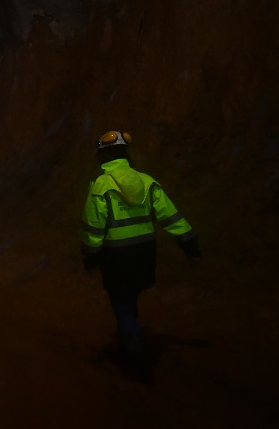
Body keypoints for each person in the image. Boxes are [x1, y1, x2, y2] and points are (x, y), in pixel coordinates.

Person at [81, 130, 201, 380]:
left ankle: (135, 355)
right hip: (144, 252)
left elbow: (94, 226)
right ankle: (130, 338)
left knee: (122, 302)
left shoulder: (101, 185)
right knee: (131, 297)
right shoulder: (146, 181)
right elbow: (170, 215)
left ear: (102, 157)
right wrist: (188, 242)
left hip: (116, 255)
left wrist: (91, 254)